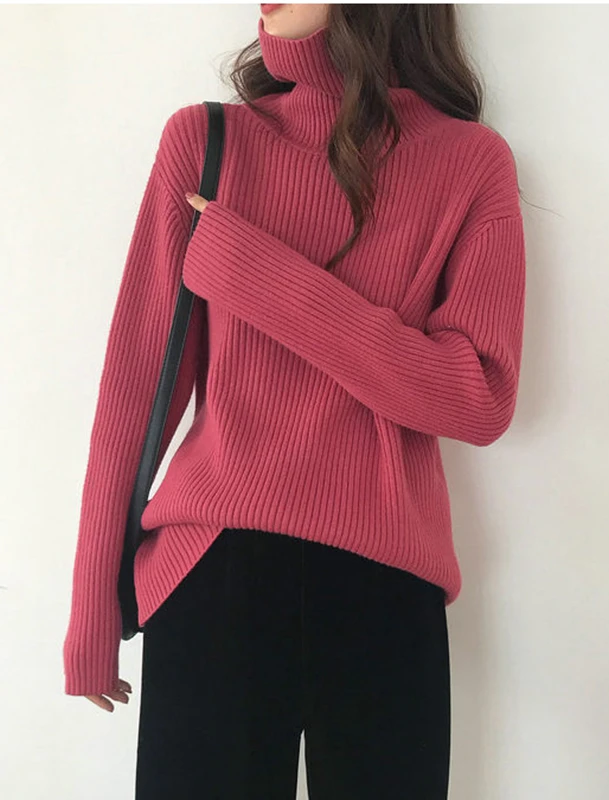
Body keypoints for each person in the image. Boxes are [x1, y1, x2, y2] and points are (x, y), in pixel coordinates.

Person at [63, 3, 527, 798]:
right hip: (212, 574)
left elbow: (477, 396)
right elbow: (133, 392)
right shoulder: (208, 143)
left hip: (388, 588)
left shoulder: (470, 161)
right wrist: (92, 607)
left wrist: (260, 277)